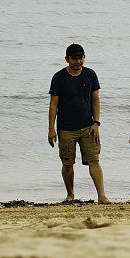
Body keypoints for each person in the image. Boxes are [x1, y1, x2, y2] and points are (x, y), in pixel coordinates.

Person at [48, 43, 110, 204]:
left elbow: (95, 100)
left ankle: (102, 196)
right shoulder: (59, 78)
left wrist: (96, 123)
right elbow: (53, 104)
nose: (78, 62)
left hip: (88, 127)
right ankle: (70, 194)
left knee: (94, 160)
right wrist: (51, 129)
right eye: (74, 59)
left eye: (80, 58)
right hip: (66, 128)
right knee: (67, 163)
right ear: (67, 59)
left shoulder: (90, 75)